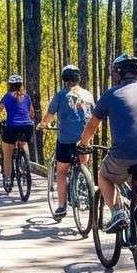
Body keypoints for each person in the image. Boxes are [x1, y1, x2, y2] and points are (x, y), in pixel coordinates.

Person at [78, 53, 137, 231]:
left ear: (118, 73)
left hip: (123, 154)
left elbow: (92, 124)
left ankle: (117, 212)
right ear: (136, 74)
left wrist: (83, 144)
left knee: (104, 176)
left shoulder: (110, 94)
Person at [40, 65, 95, 219]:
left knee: (62, 173)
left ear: (64, 79)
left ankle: (61, 206)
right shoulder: (88, 95)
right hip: (85, 140)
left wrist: (43, 124)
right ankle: (84, 193)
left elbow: (49, 116)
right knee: (83, 165)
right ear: (78, 78)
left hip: (66, 141)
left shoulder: (61, 95)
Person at [0, 74, 35, 181]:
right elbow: (32, 114)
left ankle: (7, 178)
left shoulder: (7, 96)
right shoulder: (27, 97)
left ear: (10, 85)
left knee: (7, 152)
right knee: (24, 142)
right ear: (21, 85)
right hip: (28, 126)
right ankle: (26, 164)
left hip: (12, 126)